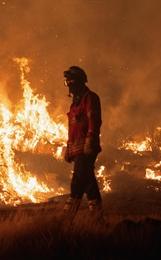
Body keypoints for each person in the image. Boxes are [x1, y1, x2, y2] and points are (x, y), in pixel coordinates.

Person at [62, 65, 103, 216]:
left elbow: (94, 120)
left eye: (71, 81)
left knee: (77, 182)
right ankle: (98, 219)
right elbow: (72, 129)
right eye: (67, 82)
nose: (69, 85)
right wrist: (68, 148)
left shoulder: (90, 98)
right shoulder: (74, 105)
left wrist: (89, 141)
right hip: (77, 149)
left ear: (79, 81)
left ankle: (67, 219)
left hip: (86, 148)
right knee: (88, 183)